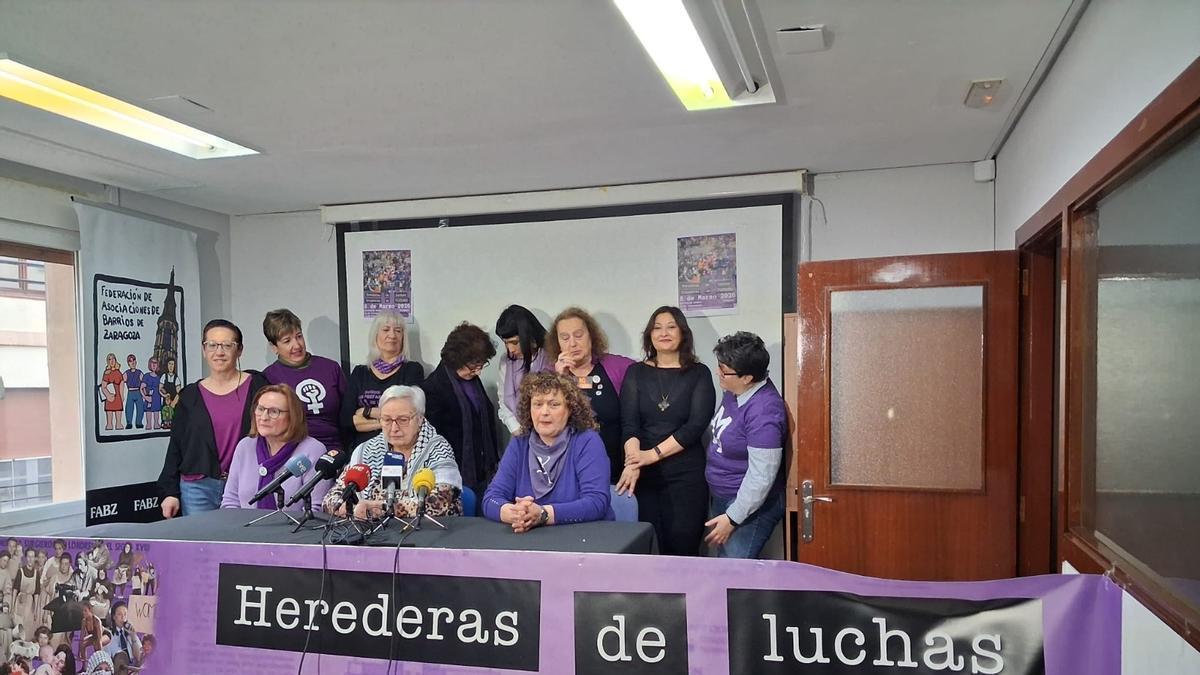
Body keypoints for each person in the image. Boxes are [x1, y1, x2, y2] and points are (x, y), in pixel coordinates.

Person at [617, 306, 715, 556]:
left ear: (683, 333)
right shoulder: (636, 372)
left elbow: (695, 426)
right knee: (649, 547)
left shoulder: (699, 373)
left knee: (684, 545)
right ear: (649, 335)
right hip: (644, 476)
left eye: (671, 327)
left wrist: (651, 455)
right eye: (657, 328)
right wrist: (634, 462)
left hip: (686, 475)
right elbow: (629, 424)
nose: (664, 333)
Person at [156, 319, 269, 518]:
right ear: (204, 349)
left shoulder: (258, 386)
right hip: (197, 488)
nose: (219, 352)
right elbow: (176, 446)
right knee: (201, 538)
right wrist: (170, 492)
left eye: (227, 345)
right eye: (212, 345)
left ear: (239, 350)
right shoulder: (189, 395)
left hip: (246, 483)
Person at [483, 373, 613, 530]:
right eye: (537, 404)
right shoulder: (520, 443)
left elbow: (596, 502)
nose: (544, 412)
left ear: (570, 409)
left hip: (583, 536)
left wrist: (543, 514)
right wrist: (516, 514)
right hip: (531, 537)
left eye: (554, 405)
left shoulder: (587, 441)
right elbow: (491, 498)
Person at [703, 333, 787, 558]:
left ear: (747, 378)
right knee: (723, 564)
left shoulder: (764, 412)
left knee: (733, 570)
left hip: (746, 504)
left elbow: (761, 476)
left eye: (724, 370)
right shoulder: (735, 390)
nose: (718, 373)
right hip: (724, 493)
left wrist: (733, 518)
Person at [322, 385, 462, 519]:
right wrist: (345, 507)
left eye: (403, 420)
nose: (394, 428)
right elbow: (332, 497)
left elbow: (439, 503)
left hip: (425, 531)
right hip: (370, 530)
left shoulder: (438, 448)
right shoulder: (368, 449)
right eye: (387, 420)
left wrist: (381, 508)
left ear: (420, 419)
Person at [545, 306, 635, 484]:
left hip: (617, 470)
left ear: (591, 336)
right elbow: (548, 425)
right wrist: (559, 380)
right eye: (565, 338)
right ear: (558, 343)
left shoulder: (617, 366)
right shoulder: (550, 377)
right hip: (570, 473)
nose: (572, 343)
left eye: (578, 335)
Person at [220, 384, 331, 509]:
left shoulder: (312, 450)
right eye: (260, 409)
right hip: (244, 522)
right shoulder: (245, 446)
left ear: (292, 416)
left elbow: (315, 508)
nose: (264, 417)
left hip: (295, 522)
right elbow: (230, 501)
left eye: (274, 412)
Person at [421, 323, 498, 491]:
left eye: (481, 364)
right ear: (457, 359)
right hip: (454, 471)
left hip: (482, 469)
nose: (478, 371)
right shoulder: (432, 388)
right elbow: (435, 438)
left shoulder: (473, 381)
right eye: (473, 365)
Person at [261, 309, 349, 456]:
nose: (297, 345)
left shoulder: (330, 368)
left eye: (299, 336)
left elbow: (347, 416)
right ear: (274, 347)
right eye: (287, 341)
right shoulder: (269, 377)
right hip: (293, 452)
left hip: (334, 450)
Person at [341, 311, 424, 449]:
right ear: (375, 335)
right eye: (386, 329)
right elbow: (347, 420)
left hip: (398, 448)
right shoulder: (360, 373)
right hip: (362, 448)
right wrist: (388, 421)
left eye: (398, 331)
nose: (392, 335)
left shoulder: (412, 370)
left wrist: (366, 412)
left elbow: (410, 414)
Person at [494, 305, 552, 435]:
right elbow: (503, 400)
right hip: (521, 432)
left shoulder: (551, 357)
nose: (510, 349)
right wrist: (515, 428)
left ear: (529, 337)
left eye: (515, 342)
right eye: (506, 343)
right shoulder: (506, 361)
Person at [99, 354, 124, 431]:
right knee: (109, 410)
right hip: (110, 395)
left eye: (113, 359)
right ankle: (109, 424)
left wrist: (122, 396)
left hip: (117, 395)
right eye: (110, 359)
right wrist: (108, 395)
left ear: (115, 360)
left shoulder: (118, 372)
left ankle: (118, 423)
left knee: (118, 410)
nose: (112, 361)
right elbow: (103, 386)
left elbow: (122, 384)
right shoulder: (106, 373)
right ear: (108, 362)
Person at [121, 355, 144, 430]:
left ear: (136, 362)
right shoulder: (127, 373)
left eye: (134, 360)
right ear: (128, 363)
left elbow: (144, 383)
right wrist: (122, 394)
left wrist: (144, 393)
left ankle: (139, 422)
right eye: (130, 361)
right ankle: (129, 423)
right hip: (130, 392)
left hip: (138, 392)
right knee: (129, 408)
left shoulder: (139, 372)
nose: (133, 363)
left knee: (140, 407)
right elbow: (121, 382)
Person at [159, 357, 180, 430]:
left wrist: (174, 402)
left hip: (173, 400)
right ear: (167, 365)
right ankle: (165, 423)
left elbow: (179, 392)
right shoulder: (164, 376)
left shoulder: (176, 378)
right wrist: (165, 395)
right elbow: (160, 388)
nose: (171, 366)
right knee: (165, 412)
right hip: (166, 400)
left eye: (172, 364)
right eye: (169, 364)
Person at [141, 357, 162, 431]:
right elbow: (142, 388)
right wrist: (145, 397)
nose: (154, 365)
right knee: (148, 411)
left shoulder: (159, 377)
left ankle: (156, 423)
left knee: (156, 411)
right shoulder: (146, 376)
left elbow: (161, 388)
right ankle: (149, 424)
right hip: (149, 396)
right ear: (150, 364)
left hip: (157, 397)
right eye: (152, 363)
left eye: (155, 363)